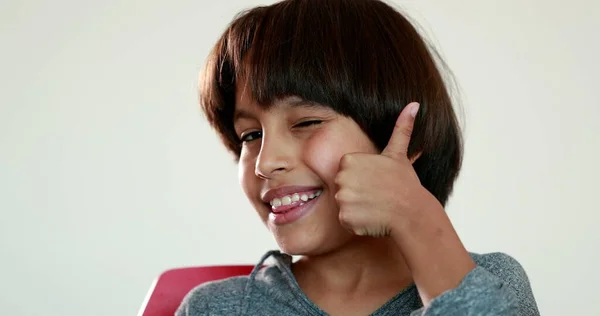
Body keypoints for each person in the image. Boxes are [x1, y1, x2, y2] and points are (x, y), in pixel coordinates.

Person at [177, 0, 540, 315]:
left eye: (306, 122)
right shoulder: (213, 308)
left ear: (407, 136)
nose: (265, 162)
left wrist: (415, 216)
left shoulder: (494, 285)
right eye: (251, 135)